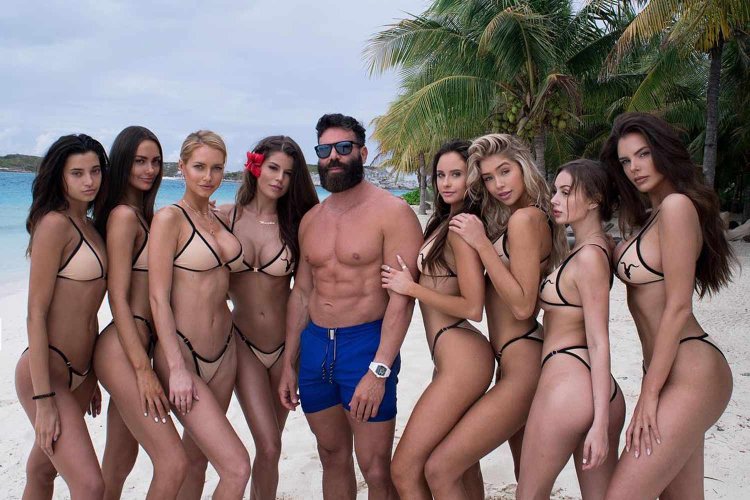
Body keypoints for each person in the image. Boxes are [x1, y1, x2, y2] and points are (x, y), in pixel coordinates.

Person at [278, 113, 423, 499]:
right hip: (314, 348)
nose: (333, 157)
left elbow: (402, 298)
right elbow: (302, 293)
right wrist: (289, 362)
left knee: (375, 467)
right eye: (324, 150)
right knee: (331, 455)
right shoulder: (312, 219)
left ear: (362, 152)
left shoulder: (393, 213)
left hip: (365, 346)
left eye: (343, 147)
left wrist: (379, 369)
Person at [601, 113, 734, 499]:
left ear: (663, 151)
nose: (634, 167)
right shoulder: (650, 217)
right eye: (625, 161)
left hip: (691, 371)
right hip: (665, 368)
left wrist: (649, 394)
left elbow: (678, 307)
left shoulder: (676, 207)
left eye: (643, 154)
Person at [428, 133, 567, 498]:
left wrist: (479, 243)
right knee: (527, 480)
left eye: (505, 171)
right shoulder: (525, 218)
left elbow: (522, 306)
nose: (498, 184)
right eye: (488, 178)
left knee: (441, 469)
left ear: (524, 166)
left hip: (523, 364)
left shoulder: (525, 219)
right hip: (515, 358)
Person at [380, 139, 494, 499]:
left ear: (472, 178)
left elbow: (473, 307)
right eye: (441, 175)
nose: (446, 183)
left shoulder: (461, 229)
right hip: (450, 355)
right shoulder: (444, 222)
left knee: (404, 470)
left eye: (456, 174)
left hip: (463, 357)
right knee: (463, 467)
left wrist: (410, 287)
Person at [149, 130, 250, 499]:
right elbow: (158, 298)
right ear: (182, 167)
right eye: (199, 167)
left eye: (217, 168)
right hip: (183, 354)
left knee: (198, 462)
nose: (208, 176)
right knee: (237, 467)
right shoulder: (169, 219)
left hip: (224, 353)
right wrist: (176, 368)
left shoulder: (218, 216)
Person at [516, 159, 625, 499]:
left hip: (569, 387)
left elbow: (599, 339)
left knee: (528, 495)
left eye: (565, 192)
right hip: (593, 388)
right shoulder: (594, 248)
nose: (555, 200)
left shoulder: (590, 257)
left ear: (594, 200)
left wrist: (600, 425)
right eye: (555, 192)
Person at [216, 135, 318, 499]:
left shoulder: (298, 224)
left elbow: (304, 294)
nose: (279, 179)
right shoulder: (224, 217)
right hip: (242, 343)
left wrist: (290, 357)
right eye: (273, 168)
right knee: (270, 445)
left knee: (271, 448)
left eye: (288, 173)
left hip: (287, 345)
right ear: (255, 167)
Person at [92, 126, 188, 499]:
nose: (149, 170)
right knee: (173, 462)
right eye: (139, 161)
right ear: (122, 163)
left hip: (135, 344)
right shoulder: (123, 216)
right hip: (123, 348)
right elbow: (116, 297)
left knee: (119, 461)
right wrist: (143, 371)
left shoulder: (145, 215)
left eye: (155, 162)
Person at [15, 134, 108, 499]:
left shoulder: (91, 226)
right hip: (46, 371)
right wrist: (43, 400)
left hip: (81, 373)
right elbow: (35, 313)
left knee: (42, 471)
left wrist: (92, 375)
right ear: (60, 177)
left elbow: (89, 308)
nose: (89, 181)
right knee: (90, 485)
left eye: (95, 171)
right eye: (77, 173)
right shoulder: (54, 225)